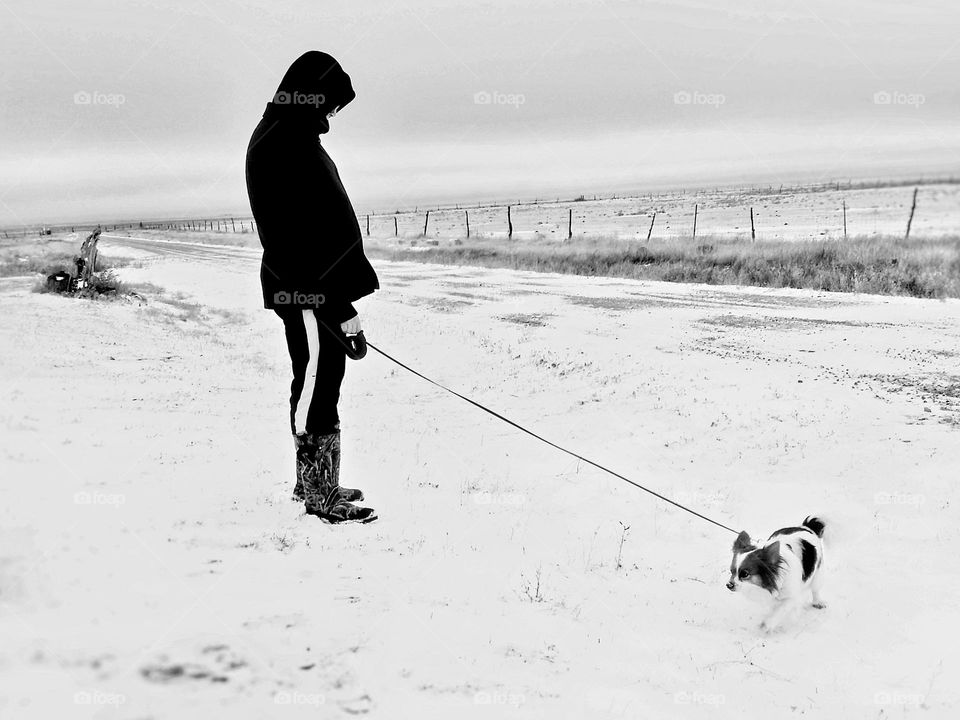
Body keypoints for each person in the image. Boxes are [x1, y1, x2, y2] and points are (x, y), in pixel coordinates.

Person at [245, 51, 379, 524]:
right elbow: (290, 236)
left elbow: (318, 221)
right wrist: (327, 297)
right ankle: (318, 494)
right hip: (304, 290)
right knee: (316, 383)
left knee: (327, 377)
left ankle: (316, 483)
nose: (332, 116)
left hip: (318, 289)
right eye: (331, 105)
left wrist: (342, 297)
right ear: (312, 94)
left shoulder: (292, 135)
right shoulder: (279, 143)